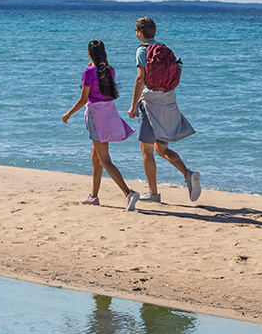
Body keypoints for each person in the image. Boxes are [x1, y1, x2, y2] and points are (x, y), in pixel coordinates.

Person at [127, 16, 202, 203]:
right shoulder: (164, 48)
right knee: (161, 148)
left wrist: (133, 105)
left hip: (150, 101)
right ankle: (188, 174)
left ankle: (153, 194)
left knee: (147, 150)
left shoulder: (142, 50)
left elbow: (140, 78)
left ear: (139, 33)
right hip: (167, 99)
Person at [61, 40, 138, 210]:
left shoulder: (88, 72)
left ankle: (128, 193)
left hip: (96, 116)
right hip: (109, 113)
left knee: (105, 160)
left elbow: (83, 99)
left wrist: (68, 113)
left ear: (89, 53)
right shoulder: (110, 70)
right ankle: (94, 196)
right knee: (95, 157)